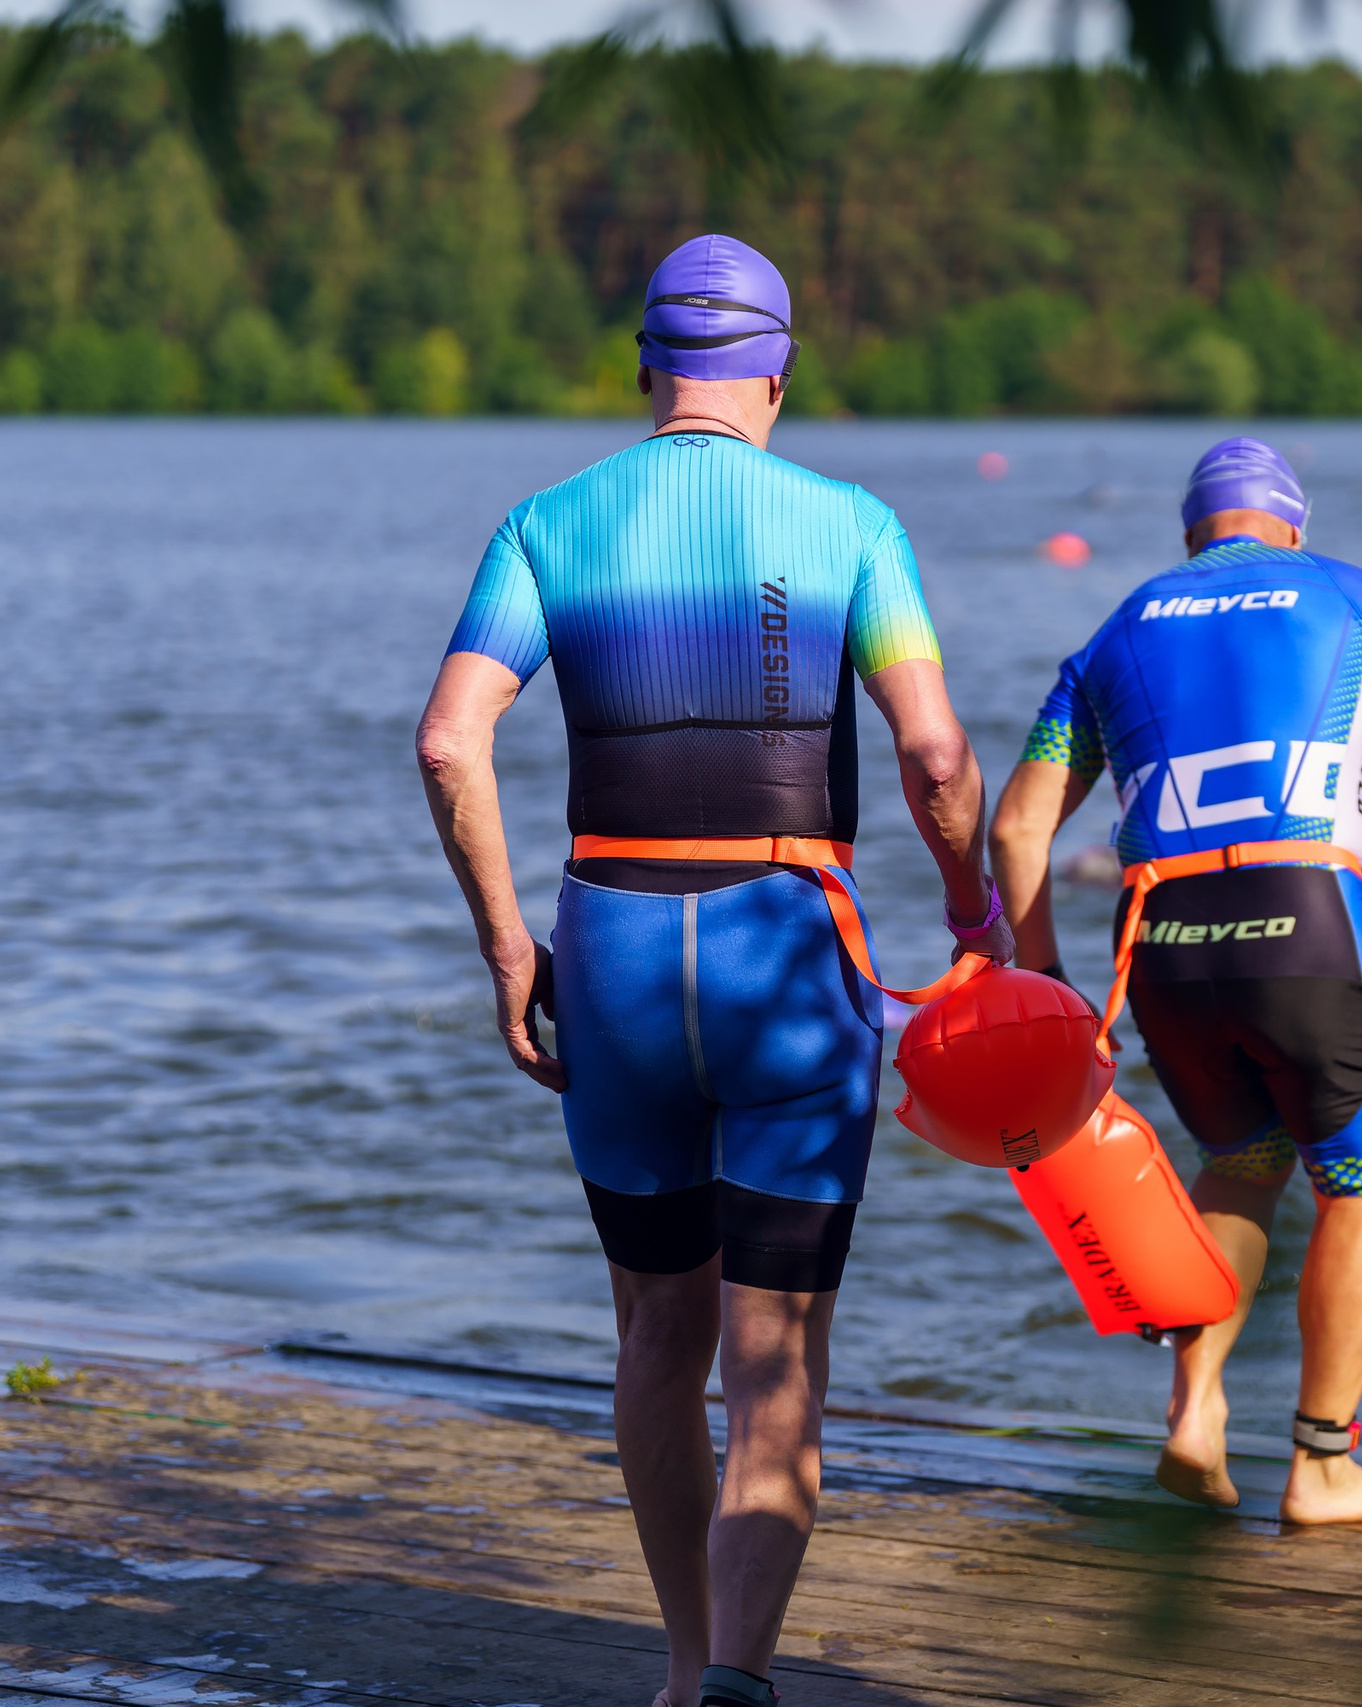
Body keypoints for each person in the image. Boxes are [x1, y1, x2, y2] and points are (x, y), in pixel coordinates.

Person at [414, 234, 1012, 1707]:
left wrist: (507, 942)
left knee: (655, 1328)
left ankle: (682, 1667)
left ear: (644, 368)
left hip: (609, 943)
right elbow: (936, 754)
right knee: (771, 1341)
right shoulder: (850, 523)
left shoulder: (546, 522)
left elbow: (448, 736)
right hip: (785, 940)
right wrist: (969, 903)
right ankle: (744, 1675)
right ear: (778, 376)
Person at [990, 437, 1362, 1525]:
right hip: (1304, 924)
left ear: (1191, 534)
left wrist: (1051, 984)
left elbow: (1016, 830)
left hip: (1158, 944)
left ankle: (1196, 1412)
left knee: (1241, 1165)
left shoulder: (1117, 630)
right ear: (1289, 526)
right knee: (1358, 1184)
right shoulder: (1353, 592)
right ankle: (1323, 1463)